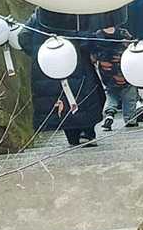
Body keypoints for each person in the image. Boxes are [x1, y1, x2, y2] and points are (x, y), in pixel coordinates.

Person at [21, 10, 106, 147]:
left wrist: (41, 54)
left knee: (59, 100)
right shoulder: (73, 13)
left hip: (49, 68)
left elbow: (23, 37)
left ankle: (73, 137)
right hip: (77, 64)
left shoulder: (36, 17)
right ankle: (87, 133)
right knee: (86, 97)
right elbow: (88, 39)